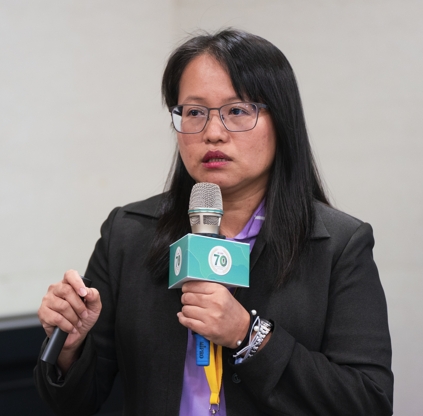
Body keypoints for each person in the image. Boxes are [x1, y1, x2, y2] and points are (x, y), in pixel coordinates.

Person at [34, 29, 393, 415]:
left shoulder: (338, 245)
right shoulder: (128, 233)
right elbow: (75, 402)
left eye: (237, 111)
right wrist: (71, 348)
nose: (213, 133)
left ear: (281, 120)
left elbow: (368, 401)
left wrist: (249, 336)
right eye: (194, 112)